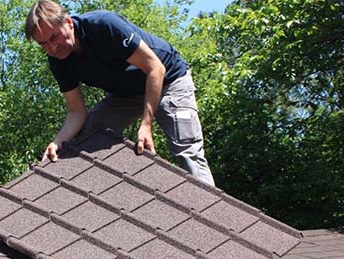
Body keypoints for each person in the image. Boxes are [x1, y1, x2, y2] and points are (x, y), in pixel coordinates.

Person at [25, 0, 215, 186]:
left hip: (168, 82)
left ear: (67, 22)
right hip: (124, 95)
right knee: (85, 138)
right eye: (44, 44)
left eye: (54, 37)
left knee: (187, 151)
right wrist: (58, 142)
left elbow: (155, 69)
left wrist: (146, 125)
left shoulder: (103, 25)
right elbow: (76, 111)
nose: (52, 47)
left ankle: (210, 211)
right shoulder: (58, 61)